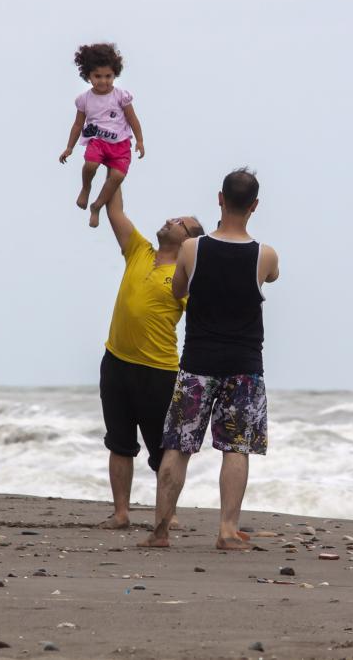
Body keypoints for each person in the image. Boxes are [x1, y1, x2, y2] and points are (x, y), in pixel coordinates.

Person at [140, 168, 279, 550]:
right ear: (254, 206)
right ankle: (227, 530)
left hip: (197, 361)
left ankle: (161, 530)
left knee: (178, 445)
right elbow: (273, 277)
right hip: (244, 365)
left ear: (220, 198)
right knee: (236, 448)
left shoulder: (191, 249)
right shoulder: (264, 255)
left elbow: (178, 291)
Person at [96, 186, 204, 528]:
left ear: (189, 241)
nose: (170, 221)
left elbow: (202, 320)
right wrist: (117, 162)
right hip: (116, 362)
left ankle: (166, 516)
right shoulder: (139, 250)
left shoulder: (186, 276)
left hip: (158, 371)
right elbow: (115, 211)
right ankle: (121, 513)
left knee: (164, 452)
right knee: (119, 443)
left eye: (180, 223)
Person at [58, 42, 145, 229]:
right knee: (90, 165)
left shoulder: (121, 96)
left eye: (108, 76)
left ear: (115, 74)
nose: (103, 81)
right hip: (97, 141)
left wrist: (140, 140)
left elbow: (133, 119)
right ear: (88, 76)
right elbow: (77, 124)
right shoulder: (84, 100)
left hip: (120, 144)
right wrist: (69, 147)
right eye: (97, 76)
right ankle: (86, 187)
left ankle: (97, 205)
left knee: (117, 177)